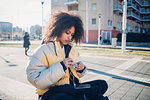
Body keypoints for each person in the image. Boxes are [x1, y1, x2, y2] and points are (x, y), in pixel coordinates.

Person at [26, 11, 108, 100]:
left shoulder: (72, 49)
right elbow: (36, 80)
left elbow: (76, 75)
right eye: (67, 33)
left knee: (102, 84)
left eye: (72, 34)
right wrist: (61, 66)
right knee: (65, 97)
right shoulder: (43, 50)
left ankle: (84, 96)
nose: (70, 37)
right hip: (52, 93)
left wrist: (81, 69)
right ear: (57, 29)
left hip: (72, 88)